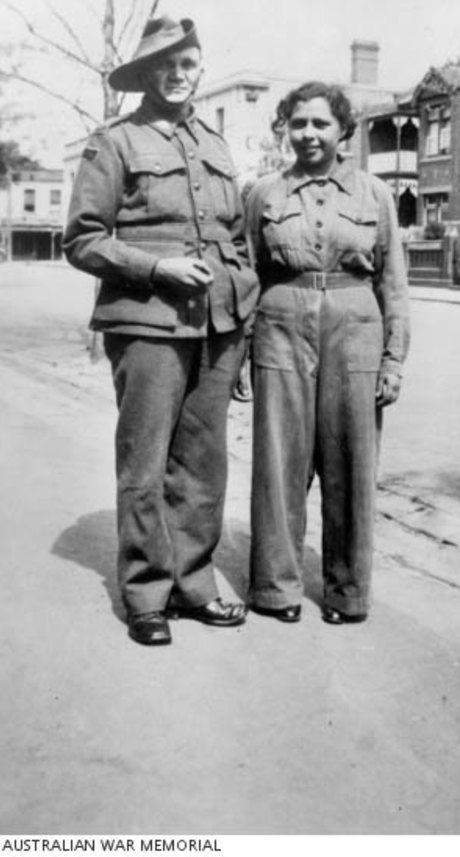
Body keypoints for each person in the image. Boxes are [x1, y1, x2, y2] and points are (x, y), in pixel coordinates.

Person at [63, 16, 259, 645]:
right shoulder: (115, 142)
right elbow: (83, 238)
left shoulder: (216, 144)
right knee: (145, 461)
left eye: (188, 63)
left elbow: (235, 239)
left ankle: (194, 582)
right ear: (146, 73)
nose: (177, 75)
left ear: (200, 68)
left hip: (218, 325)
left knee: (203, 465)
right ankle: (146, 593)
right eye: (165, 65)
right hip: (147, 321)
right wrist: (155, 267)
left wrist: (244, 329)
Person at [245, 81, 410, 625]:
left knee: (350, 463)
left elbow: (393, 283)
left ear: (344, 131)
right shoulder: (264, 193)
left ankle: (346, 592)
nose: (308, 134)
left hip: (354, 327)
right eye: (298, 123)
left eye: (320, 124)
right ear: (285, 129)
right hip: (281, 326)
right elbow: (249, 274)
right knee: (279, 462)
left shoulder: (375, 194)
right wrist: (244, 349)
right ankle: (276, 589)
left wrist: (393, 358)